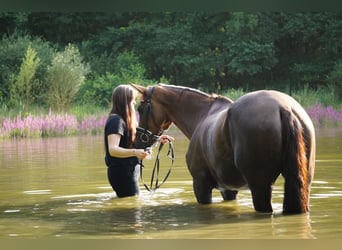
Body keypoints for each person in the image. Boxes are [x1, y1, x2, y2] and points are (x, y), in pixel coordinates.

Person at [104, 84, 174, 198]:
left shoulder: (125, 121)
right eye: (132, 100)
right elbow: (113, 150)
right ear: (125, 101)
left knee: (132, 205)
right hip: (122, 173)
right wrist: (135, 153)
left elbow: (134, 143)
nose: (134, 103)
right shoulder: (116, 121)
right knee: (132, 209)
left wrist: (158, 139)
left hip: (129, 171)